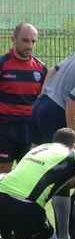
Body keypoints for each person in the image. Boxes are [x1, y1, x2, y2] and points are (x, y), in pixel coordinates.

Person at [0, 22, 47, 174]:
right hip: (5, 128)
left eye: (33, 41)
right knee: (2, 175)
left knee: (26, 174)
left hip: (28, 129)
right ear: (13, 39)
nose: (29, 45)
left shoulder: (40, 69)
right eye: (25, 40)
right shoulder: (2, 64)